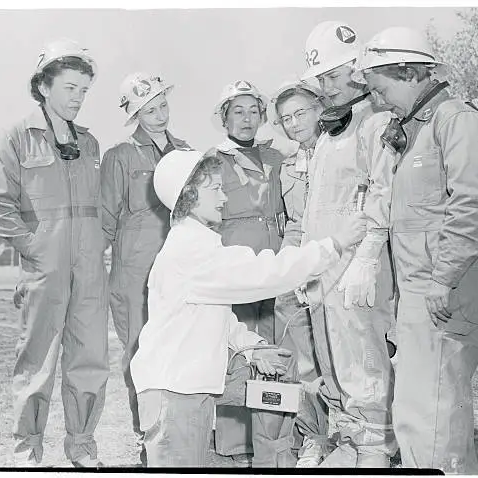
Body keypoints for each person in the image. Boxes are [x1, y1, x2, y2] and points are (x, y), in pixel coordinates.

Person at [129, 149, 369, 467]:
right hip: (174, 395)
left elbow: (217, 316)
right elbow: (265, 274)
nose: (224, 196)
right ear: (189, 193)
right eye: (214, 187)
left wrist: (252, 348)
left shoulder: (196, 246)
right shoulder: (190, 251)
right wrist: (333, 245)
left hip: (182, 391)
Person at [353, 26, 478, 473]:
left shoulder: (456, 120)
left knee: (433, 413)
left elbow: (476, 202)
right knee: (420, 409)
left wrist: (442, 279)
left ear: (407, 71)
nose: (377, 101)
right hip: (421, 292)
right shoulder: (413, 130)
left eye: (379, 89)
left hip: (444, 289)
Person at [0, 39, 108, 468]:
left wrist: (96, 247)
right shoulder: (16, 137)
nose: (78, 97)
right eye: (71, 87)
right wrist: (34, 249)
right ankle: (27, 450)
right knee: (36, 361)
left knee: (89, 359)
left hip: (90, 269)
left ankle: (82, 444)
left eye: (84, 91)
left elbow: (102, 208)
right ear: (43, 86)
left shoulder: (90, 144)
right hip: (45, 268)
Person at [297, 21, 398, 467]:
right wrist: (305, 262)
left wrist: (370, 258)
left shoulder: (375, 123)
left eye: (334, 77)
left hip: (356, 268)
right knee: (332, 356)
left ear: (357, 70)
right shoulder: (328, 131)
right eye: (321, 79)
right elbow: (316, 206)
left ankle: (377, 446)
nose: (327, 87)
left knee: (364, 354)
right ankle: (351, 438)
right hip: (325, 265)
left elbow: (382, 191)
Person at [100, 72, 191, 463]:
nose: (159, 115)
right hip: (134, 271)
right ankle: (146, 435)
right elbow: (104, 218)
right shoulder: (119, 156)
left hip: (179, 266)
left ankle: (180, 431)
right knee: (140, 352)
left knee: (182, 347)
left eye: (162, 106)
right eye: (148, 110)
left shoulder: (186, 151)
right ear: (135, 114)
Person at [204, 80, 288, 466]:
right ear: (224, 117)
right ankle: (237, 445)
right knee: (240, 351)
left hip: (274, 265)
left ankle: (272, 441)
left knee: (272, 348)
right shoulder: (212, 159)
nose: (247, 119)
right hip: (235, 264)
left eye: (254, 111)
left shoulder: (277, 157)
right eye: (238, 111)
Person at [266, 78, 332, 467]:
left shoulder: (339, 151)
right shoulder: (287, 167)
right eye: (285, 118)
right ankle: (314, 437)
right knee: (300, 360)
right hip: (297, 270)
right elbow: (291, 223)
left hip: (334, 266)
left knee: (341, 358)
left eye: (300, 113)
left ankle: (359, 436)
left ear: (319, 109)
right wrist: (289, 269)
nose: (293, 123)